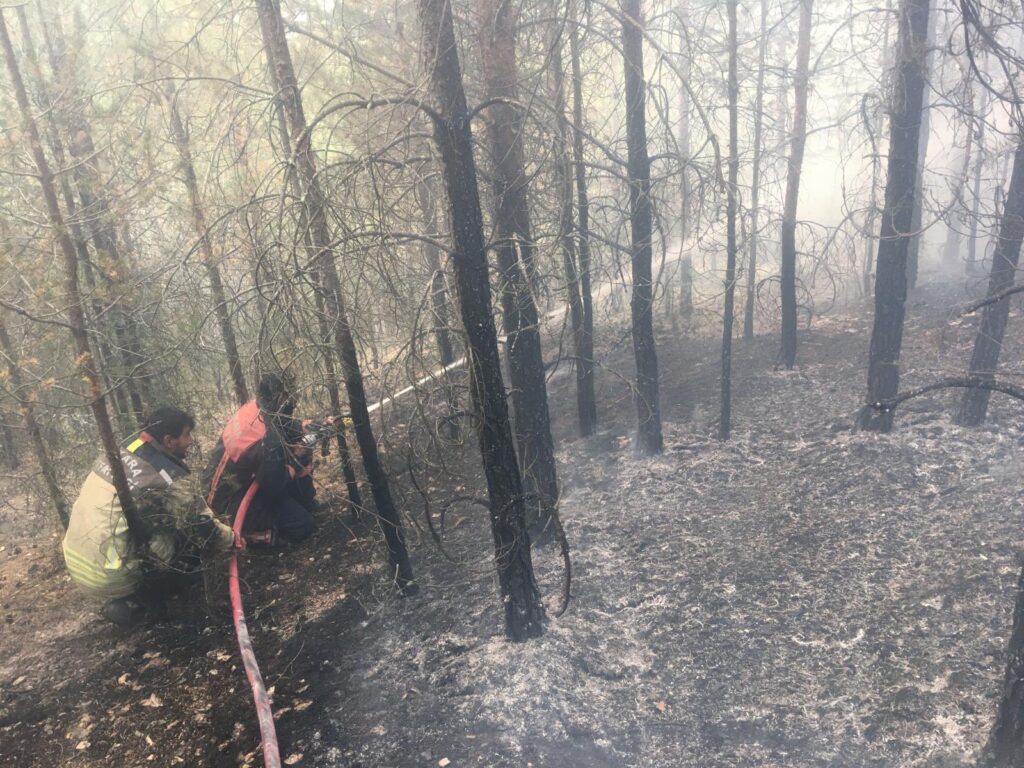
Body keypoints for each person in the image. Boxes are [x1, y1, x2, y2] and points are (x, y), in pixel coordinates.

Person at [62, 406, 238, 625]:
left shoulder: (123, 448)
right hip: (111, 575)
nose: (191, 441)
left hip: (77, 563)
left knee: (155, 520)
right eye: (186, 435)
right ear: (168, 441)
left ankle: (132, 595)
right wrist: (232, 539)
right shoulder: (168, 475)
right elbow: (201, 522)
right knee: (187, 535)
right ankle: (143, 605)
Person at [202, 373, 318, 543]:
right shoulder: (266, 439)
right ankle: (251, 536)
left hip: (229, 489)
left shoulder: (255, 409)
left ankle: (304, 504)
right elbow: (274, 485)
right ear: (280, 399)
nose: (294, 402)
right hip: (231, 505)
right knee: (302, 525)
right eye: (290, 396)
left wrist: (307, 426)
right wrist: (294, 462)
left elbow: (283, 424)